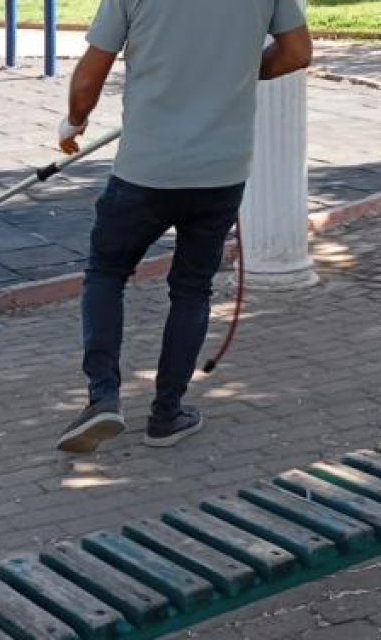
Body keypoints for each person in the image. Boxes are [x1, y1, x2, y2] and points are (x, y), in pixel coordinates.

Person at [54, 0, 313, 454]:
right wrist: (228, 76)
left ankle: (103, 397)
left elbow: (90, 75)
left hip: (144, 171)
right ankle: (167, 414)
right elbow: (296, 52)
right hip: (221, 171)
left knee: (106, 273)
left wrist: (74, 122)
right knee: (192, 289)